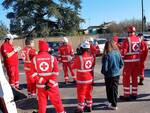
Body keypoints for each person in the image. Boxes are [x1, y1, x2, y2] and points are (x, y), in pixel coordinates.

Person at [30, 40, 66, 113]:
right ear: (47, 48)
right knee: (57, 101)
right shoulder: (53, 58)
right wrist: (49, 83)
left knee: (42, 103)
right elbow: (55, 72)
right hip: (52, 85)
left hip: (41, 86)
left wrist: (43, 81)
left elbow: (33, 74)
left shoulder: (34, 59)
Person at [72, 40, 95, 113]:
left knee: (81, 93)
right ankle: (89, 106)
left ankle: (80, 108)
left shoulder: (79, 58)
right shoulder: (91, 56)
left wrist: (73, 60)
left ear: (82, 48)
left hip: (82, 79)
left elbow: (73, 66)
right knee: (89, 93)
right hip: (90, 78)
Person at [120, 26, 141, 101]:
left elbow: (123, 52)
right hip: (137, 61)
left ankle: (126, 95)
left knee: (126, 79)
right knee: (135, 78)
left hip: (128, 62)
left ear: (128, 32)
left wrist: (121, 59)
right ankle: (134, 94)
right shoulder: (139, 39)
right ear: (135, 31)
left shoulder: (127, 39)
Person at [101, 40, 124, 110]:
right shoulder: (117, 53)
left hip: (109, 75)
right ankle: (111, 102)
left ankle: (113, 104)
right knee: (114, 89)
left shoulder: (107, 55)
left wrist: (104, 72)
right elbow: (121, 64)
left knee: (109, 89)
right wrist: (117, 69)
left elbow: (105, 68)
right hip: (116, 74)